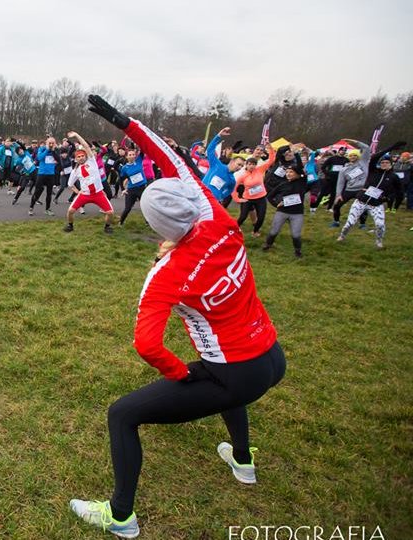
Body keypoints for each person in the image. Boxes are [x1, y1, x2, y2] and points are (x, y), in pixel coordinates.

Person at [71, 95, 285, 538]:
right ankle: (242, 461)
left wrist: (178, 374)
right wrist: (123, 121)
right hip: (270, 356)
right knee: (226, 384)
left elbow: (147, 345)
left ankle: (120, 516)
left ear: (156, 227)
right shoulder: (219, 219)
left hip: (235, 370)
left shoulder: (165, 274)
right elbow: (171, 160)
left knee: (122, 414)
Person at [337, 154, 401, 248]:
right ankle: (342, 236)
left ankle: (379, 242)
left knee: (380, 225)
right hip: (361, 201)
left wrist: (387, 198)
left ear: (391, 164)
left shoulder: (394, 177)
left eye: (387, 163)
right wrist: (388, 149)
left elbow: (398, 191)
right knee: (350, 223)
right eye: (382, 163)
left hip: (376, 205)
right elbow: (373, 158)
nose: (384, 164)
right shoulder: (373, 171)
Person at [63, 132, 114, 233]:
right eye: (79, 156)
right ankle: (70, 225)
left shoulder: (91, 161)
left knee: (110, 212)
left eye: (82, 155)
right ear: (76, 159)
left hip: (98, 193)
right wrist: (78, 192)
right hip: (85, 194)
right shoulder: (75, 171)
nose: (81, 157)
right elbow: (70, 184)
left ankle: (107, 226)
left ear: (86, 156)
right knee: (70, 211)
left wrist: (77, 135)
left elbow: (86, 146)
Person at [262, 167, 309, 257]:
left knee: (296, 235)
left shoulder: (302, 182)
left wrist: (295, 155)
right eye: (287, 172)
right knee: (274, 231)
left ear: (297, 174)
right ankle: (268, 245)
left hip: (297, 213)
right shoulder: (283, 184)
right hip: (282, 212)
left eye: (291, 172)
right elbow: (270, 196)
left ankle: (298, 251)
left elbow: (301, 170)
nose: (288, 174)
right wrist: (276, 204)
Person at [232, 144, 277, 237]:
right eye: (249, 164)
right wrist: (237, 199)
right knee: (242, 217)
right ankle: (233, 230)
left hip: (261, 198)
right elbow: (234, 188)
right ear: (246, 165)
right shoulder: (243, 175)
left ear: (256, 165)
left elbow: (271, 160)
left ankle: (255, 231)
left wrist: (270, 149)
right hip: (247, 198)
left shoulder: (260, 169)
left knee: (261, 217)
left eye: (253, 164)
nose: (251, 166)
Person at [202, 127, 244, 206]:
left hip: (212, 202)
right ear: (232, 161)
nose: (240, 167)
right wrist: (218, 136)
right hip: (200, 195)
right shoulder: (217, 165)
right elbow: (210, 150)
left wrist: (220, 195)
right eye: (239, 164)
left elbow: (229, 190)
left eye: (242, 166)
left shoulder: (232, 180)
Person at [30, 137, 63, 216]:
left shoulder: (55, 150)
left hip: (51, 174)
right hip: (41, 174)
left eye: (53, 143)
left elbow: (59, 160)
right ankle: (31, 207)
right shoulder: (42, 148)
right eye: (50, 143)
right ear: (46, 143)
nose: (51, 144)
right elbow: (39, 158)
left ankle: (47, 209)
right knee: (37, 192)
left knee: (49, 193)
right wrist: (47, 150)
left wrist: (53, 151)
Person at [116, 147, 149, 226]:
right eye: (130, 155)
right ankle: (121, 222)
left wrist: (140, 140)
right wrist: (123, 189)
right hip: (131, 190)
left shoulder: (139, 160)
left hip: (142, 188)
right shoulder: (124, 168)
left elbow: (143, 149)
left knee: (146, 206)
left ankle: (148, 222)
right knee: (128, 208)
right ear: (127, 157)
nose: (132, 156)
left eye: (133, 154)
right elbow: (121, 179)